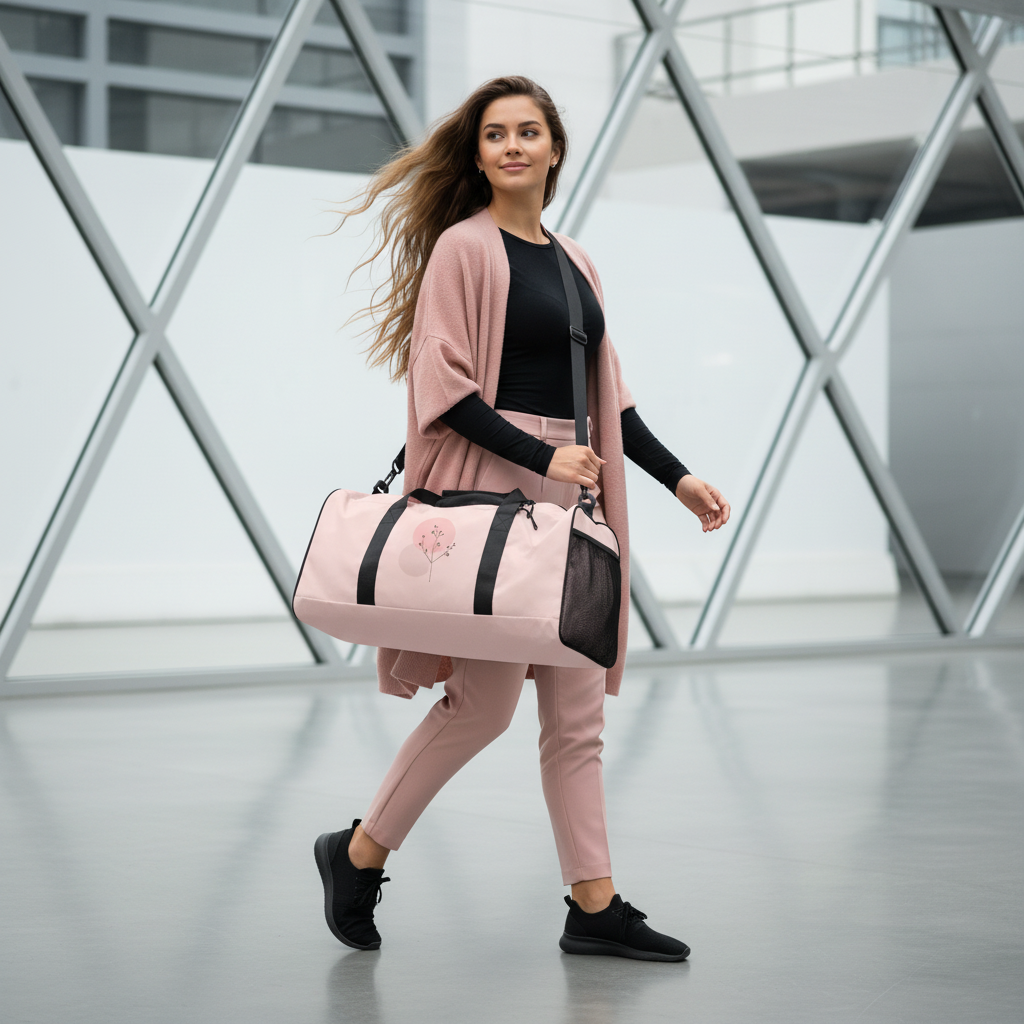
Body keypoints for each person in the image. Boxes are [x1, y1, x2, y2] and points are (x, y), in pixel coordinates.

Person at [314, 76, 730, 962]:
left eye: (528, 131)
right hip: (495, 494)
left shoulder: (578, 262)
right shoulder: (463, 250)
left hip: (575, 498)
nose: (512, 145)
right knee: (483, 709)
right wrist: (541, 459)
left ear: (552, 150)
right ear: (479, 155)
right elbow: (443, 390)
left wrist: (676, 477)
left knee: (577, 716)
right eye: (496, 133)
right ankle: (356, 854)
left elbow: (606, 402)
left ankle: (594, 903)